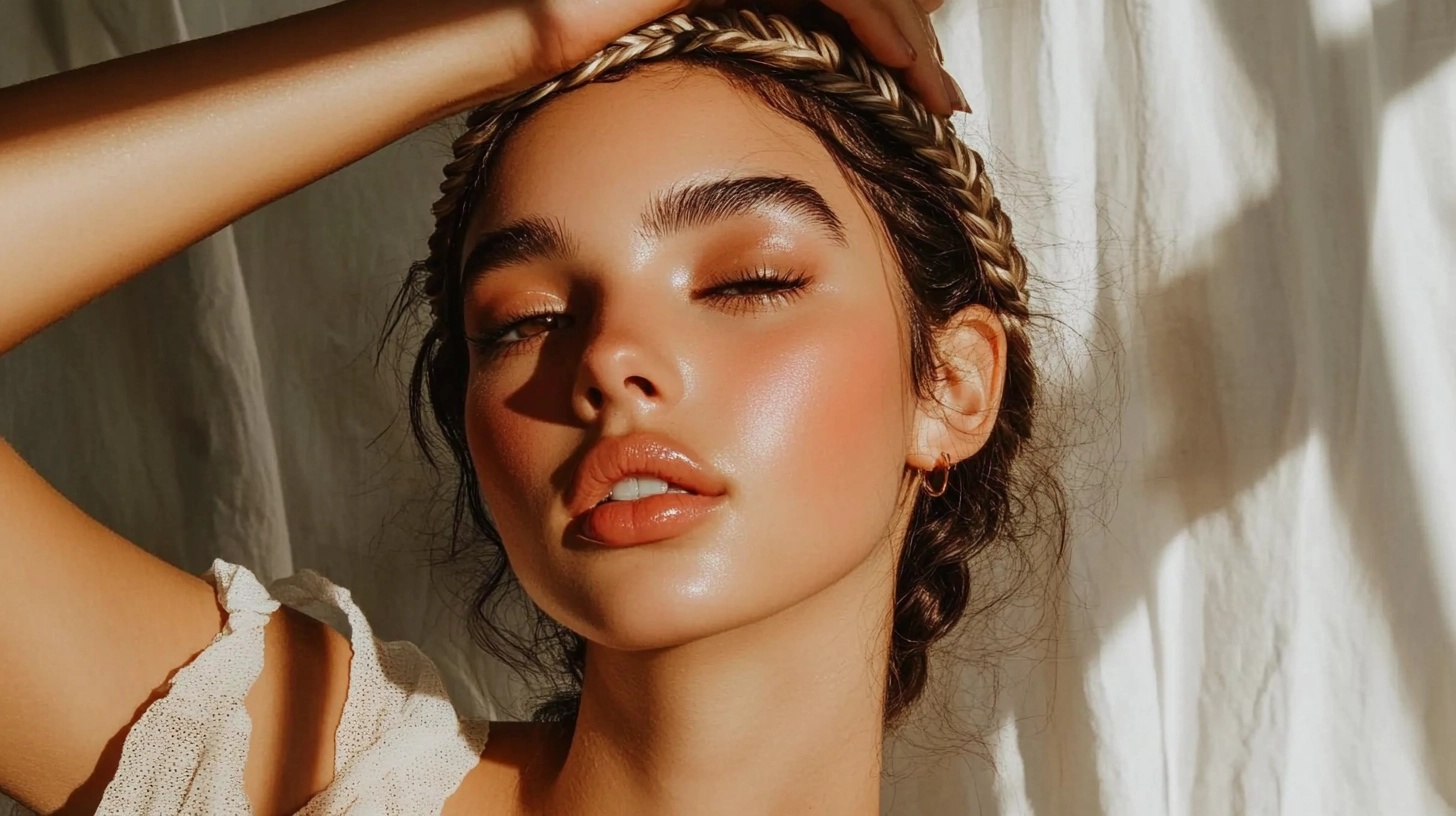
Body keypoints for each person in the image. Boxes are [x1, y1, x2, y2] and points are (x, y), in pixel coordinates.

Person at [0, 0, 1055, 813]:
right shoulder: (291, 768)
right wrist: (521, 21)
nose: (608, 359)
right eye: (523, 320)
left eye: (746, 282)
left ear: (951, 386)